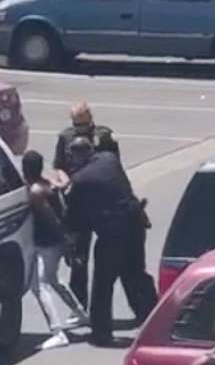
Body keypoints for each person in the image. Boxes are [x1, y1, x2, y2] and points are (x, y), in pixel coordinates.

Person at [64, 137, 157, 346]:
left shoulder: (80, 180)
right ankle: (154, 320)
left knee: (103, 285)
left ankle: (101, 332)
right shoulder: (109, 159)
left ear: (77, 156)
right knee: (136, 275)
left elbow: (73, 218)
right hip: (134, 225)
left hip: (112, 233)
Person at [54, 102, 122, 311]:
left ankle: (103, 307)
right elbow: (58, 166)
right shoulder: (65, 137)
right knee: (78, 258)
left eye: (83, 124)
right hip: (77, 202)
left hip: (102, 203)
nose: (80, 128)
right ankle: (79, 305)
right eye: (76, 124)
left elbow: (114, 165)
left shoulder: (104, 136)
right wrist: (65, 181)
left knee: (110, 256)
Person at [22, 150, 88, 351]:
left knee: (40, 286)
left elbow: (50, 218)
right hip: (58, 242)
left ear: (26, 169)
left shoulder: (35, 192)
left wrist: (65, 242)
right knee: (53, 279)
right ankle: (80, 314)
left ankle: (57, 332)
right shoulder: (48, 183)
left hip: (47, 243)